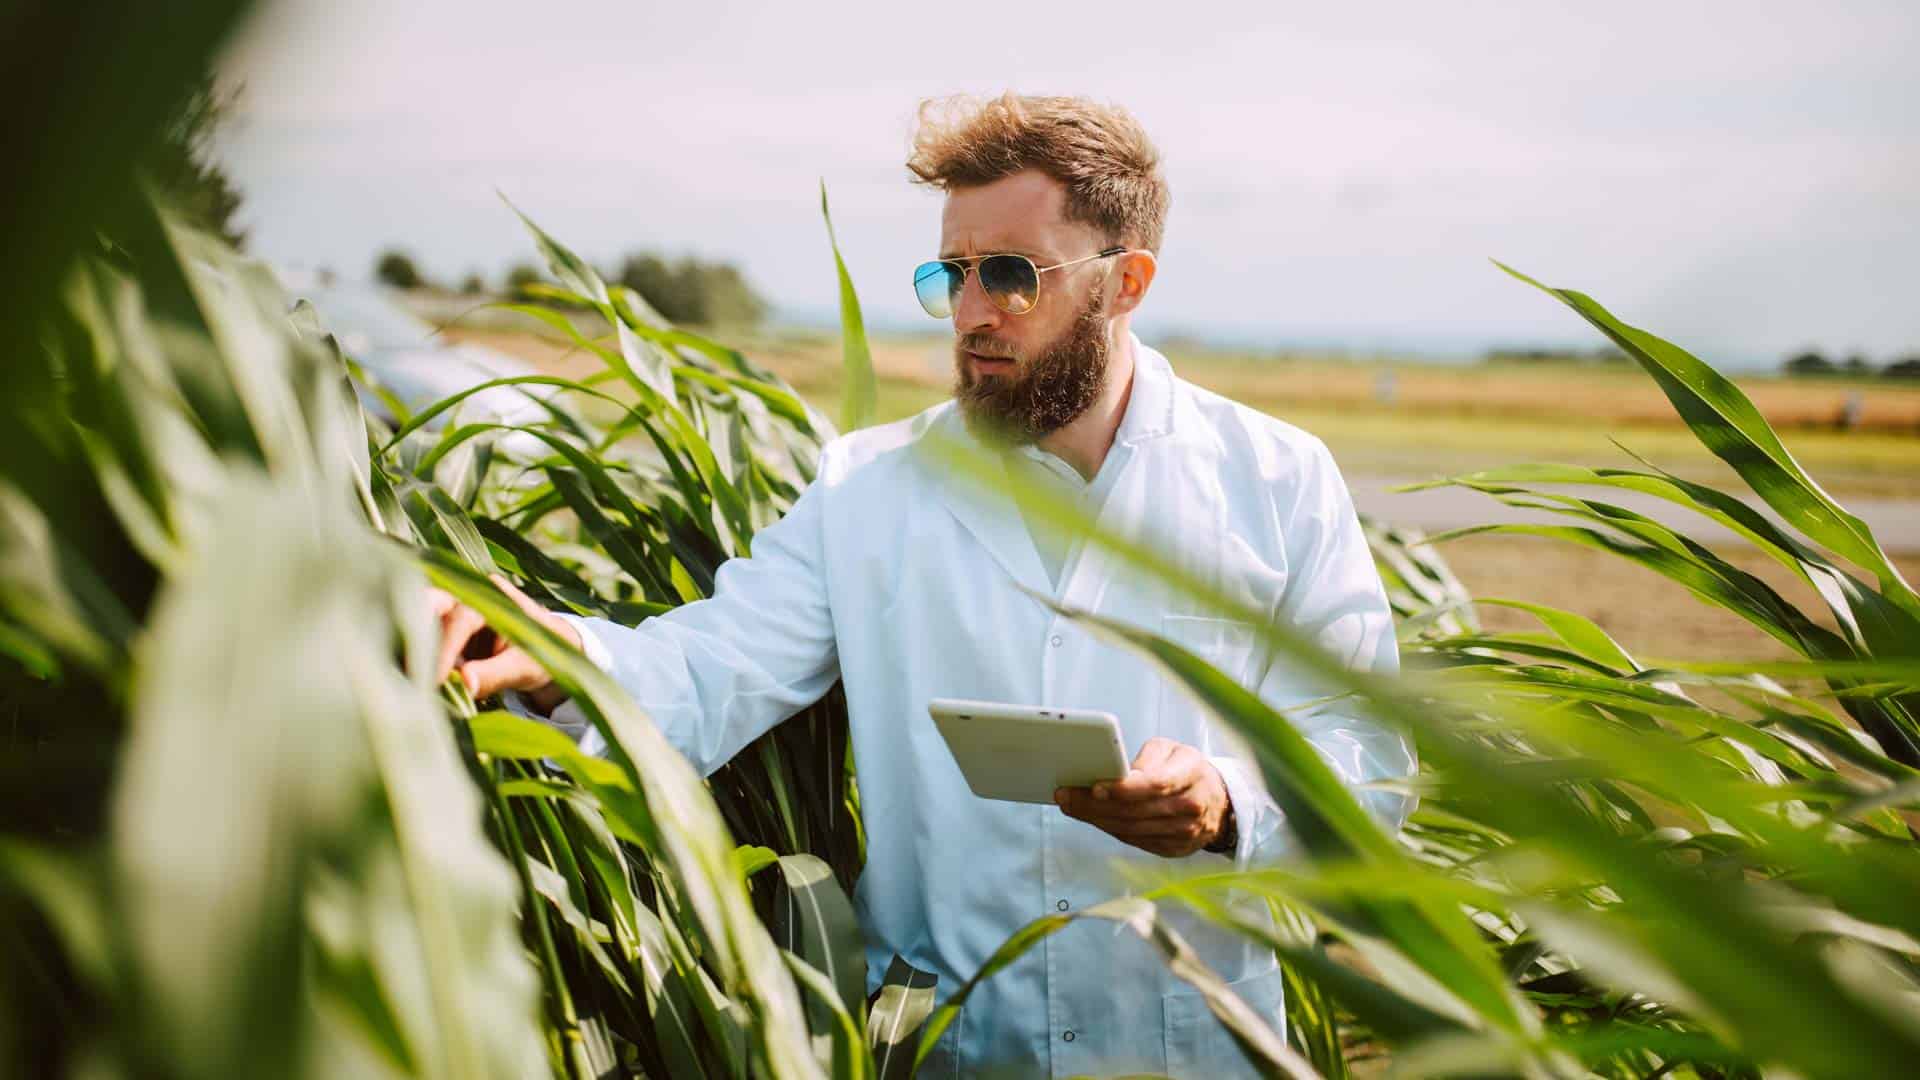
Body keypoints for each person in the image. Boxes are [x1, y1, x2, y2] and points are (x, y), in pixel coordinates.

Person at [433, 92, 1416, 1078]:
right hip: (948, 1053)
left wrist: (1227, 803)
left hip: (1199, 1054)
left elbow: (1372, 761)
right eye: (951, 273)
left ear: (1125, 282)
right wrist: (560, 659)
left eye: (1010, 275)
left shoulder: (1277, 482)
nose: (972, 312)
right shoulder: (867, 489)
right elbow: (713, 664)